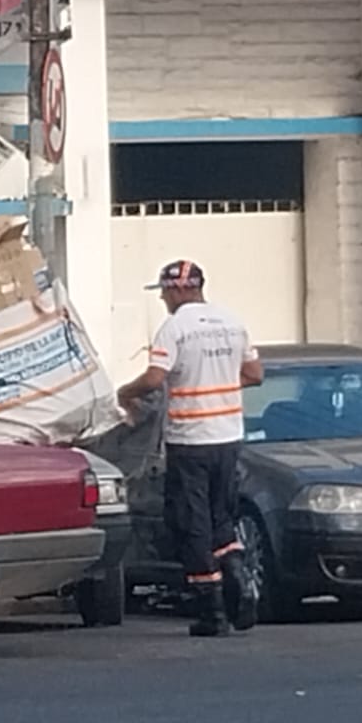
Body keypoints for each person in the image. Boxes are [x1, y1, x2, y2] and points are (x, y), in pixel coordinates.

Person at [117, 260, 263, 637]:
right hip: (228, 438)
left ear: (180, 289)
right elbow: (254, 374)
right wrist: (220, 385)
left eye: (165, 292)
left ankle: (212, 612)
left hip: (190, 441)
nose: (164, 299)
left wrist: (124, 393)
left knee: (192, 524)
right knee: (222, 518)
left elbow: (154, 378)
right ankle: (239, 578)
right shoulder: (233, 322)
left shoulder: (175, 328)